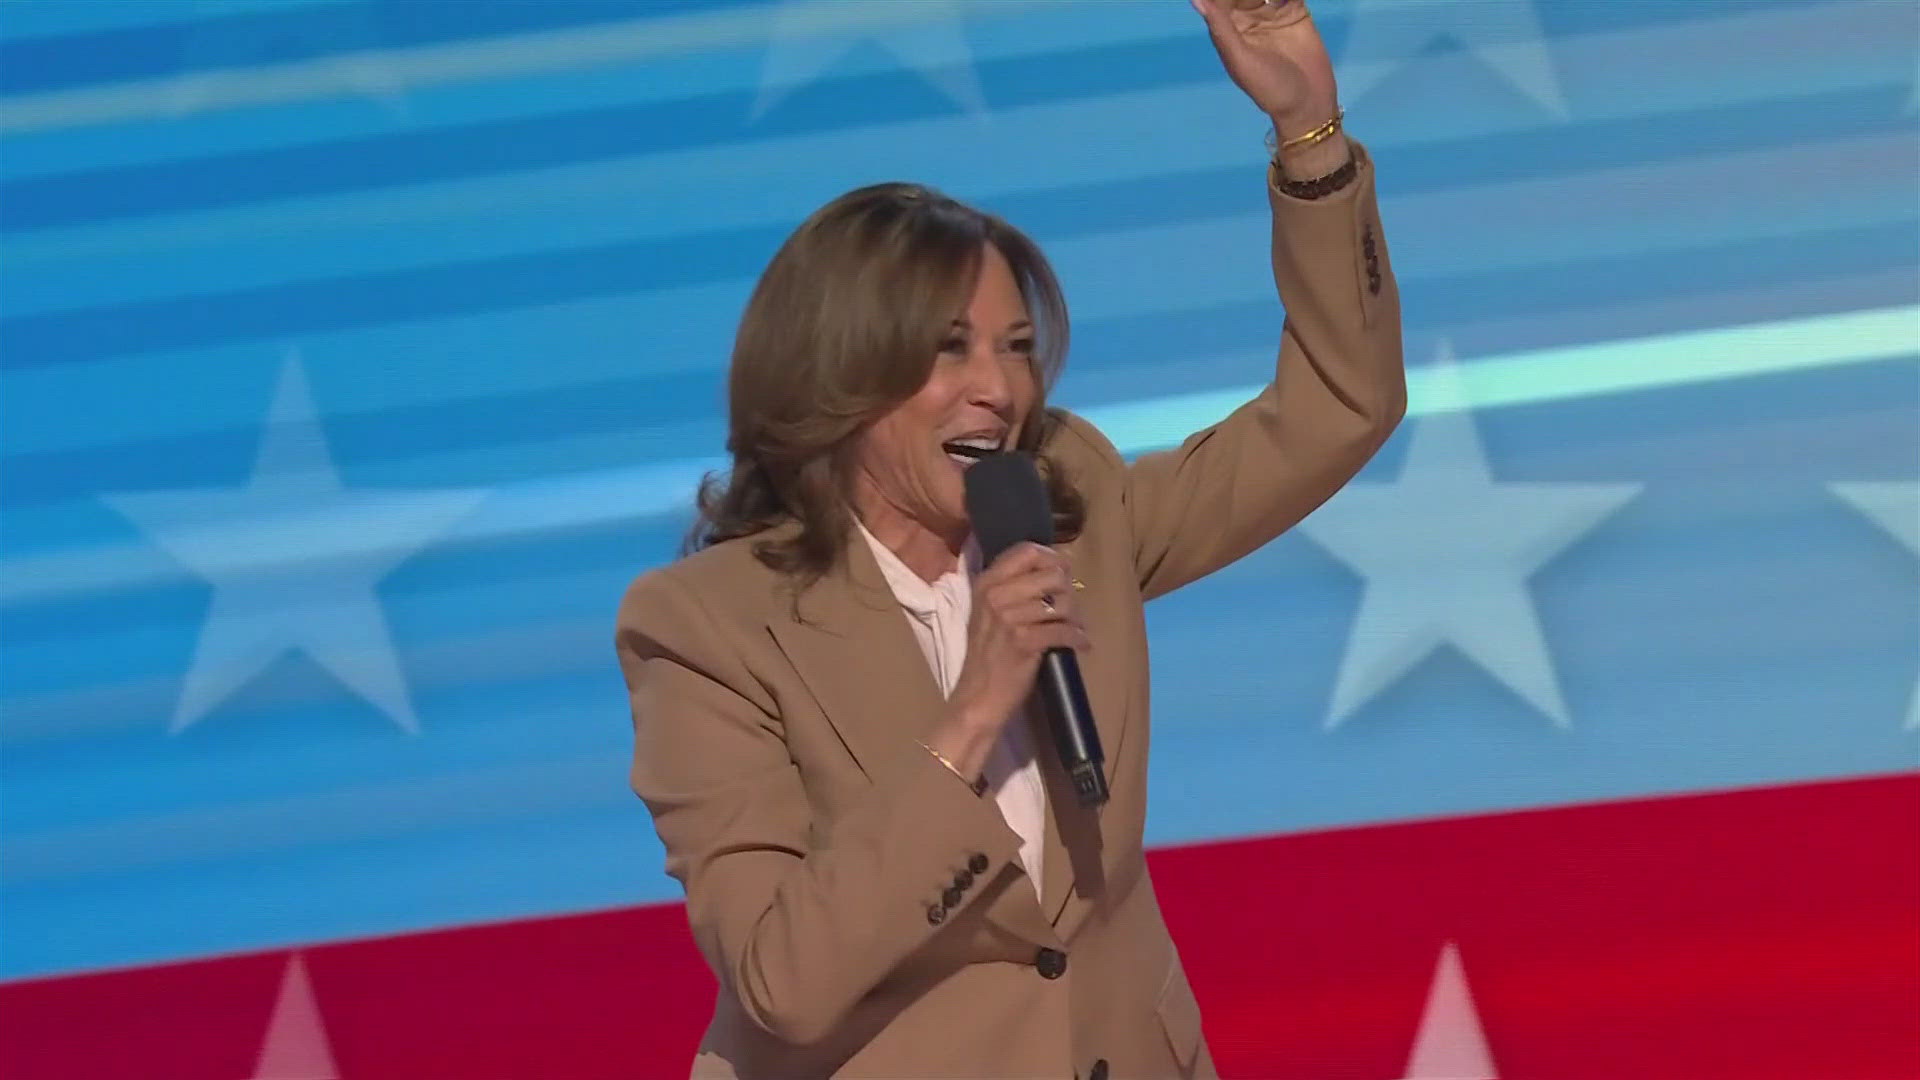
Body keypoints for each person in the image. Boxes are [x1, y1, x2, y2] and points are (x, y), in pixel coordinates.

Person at [614, 1, 1404, 1075]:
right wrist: (976, 711)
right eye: (949, 351)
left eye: (1018, 348)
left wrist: (1309, 130)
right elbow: (781, 981)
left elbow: (1336, 409)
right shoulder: (708, 628)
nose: (997, 390)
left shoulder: (1070, 504)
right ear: (840, 376)